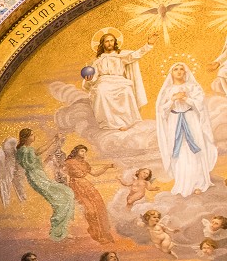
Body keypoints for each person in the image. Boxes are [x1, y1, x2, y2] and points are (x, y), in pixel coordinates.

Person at [155, 61, 216, 197]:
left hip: (191, 119)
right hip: (174, 121)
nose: (178, 71)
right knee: (179, 151)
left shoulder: (192, 87)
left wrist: (187, 99)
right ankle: (182, 184)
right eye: (175, 69)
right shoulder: (167, 90)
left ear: (185, 72)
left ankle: (199, 183)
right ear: (171, 73)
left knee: (195, 149)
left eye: (181, 69)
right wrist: (173, 100)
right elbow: (161, 111)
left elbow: (200, 104)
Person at [84, 28, 155, 131]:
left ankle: (127, 122)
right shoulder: (98, 61)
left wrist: (148, 45)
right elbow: (93, 79)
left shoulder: (121, 56)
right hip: (104, 81)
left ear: (115, 42)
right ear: (102, 44)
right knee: (101, 91)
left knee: (126, 91)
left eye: (111, 40)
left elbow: (135, 55)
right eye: (107, 41)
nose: (109, 43)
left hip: (120, 82)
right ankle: (109, 123)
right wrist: (89, 79)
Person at [14, 129, 75, 240]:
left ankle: (61, 231)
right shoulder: (23, 150)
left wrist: (47, 159)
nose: (34, 136)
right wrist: (54, 139)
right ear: (25, 137)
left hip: (41, 177)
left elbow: (38, 165)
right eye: (32, 134)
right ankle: (58, 233)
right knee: (64, 197)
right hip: (37, 179)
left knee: (66, 196)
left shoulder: (27, 151)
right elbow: (39, 152)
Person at [62, 145, 115, 244]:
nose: (84, 153)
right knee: (90, 210)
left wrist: (106, 167)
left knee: (98, 208)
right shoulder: (68, 162)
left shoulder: (85, 164)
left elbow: (95, 173)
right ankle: (95, 231)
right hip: (75, 186)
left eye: (85, 152)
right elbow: (61, 174)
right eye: (82, 151)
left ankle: (102, 234)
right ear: (76, 151)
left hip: (87, 186)